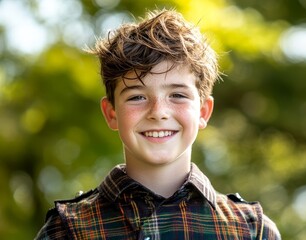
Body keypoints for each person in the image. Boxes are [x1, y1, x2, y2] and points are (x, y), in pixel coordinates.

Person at [35, 9, 281, 240]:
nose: (158, 112)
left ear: (204, 111)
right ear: (111, 113)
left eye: (178, 95)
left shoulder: (252, 230)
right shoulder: (65, 229)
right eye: (137, 97)